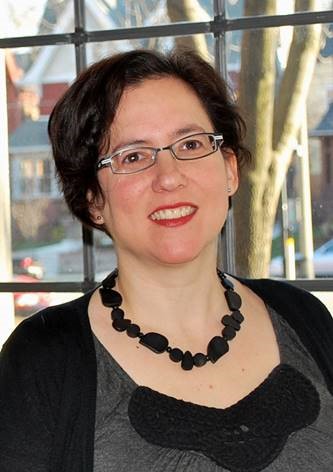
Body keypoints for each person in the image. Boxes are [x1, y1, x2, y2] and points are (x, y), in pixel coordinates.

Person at [1, 49, 333, 472]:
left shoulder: (306, 319)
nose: (170, 176)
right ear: (93, 199)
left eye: (191, 144)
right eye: (133, 156)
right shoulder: (42, 362)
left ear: (229, 169)